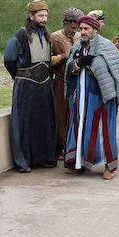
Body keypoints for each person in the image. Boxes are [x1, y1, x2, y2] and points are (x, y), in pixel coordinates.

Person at [64, 15, 119, 179]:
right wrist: (79, 63)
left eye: (86, 29)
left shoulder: (107, 46)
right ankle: (77, 163)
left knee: (103, 131)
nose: (82, 32)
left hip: (100, 96)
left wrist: (92, 63)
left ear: (95, 30)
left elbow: (111, 69)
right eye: (81, 28)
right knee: (79, 128)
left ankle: (109, 167)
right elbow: (70, 66)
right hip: (80, 96)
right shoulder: (78, 45)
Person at [4, 0, 60, 173]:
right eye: (41, 16)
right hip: (26, 87)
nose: (44, 19)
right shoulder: (19, 36)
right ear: (31, 16)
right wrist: (21, 77)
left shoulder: (47, 36)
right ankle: (24, 161)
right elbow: (9, 60)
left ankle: (42, 157)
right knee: (25, 124)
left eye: (46, 16)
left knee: (43, 122)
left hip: (44, 86)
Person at [50, 8, 83, 156]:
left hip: (77, 82)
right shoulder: (54, 38)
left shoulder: (80, 37)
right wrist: (64, 56)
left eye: (77, 28)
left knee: (74, 114)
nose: (74, 31)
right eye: (72, 28)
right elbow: (48, 61)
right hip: (59, 82)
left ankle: (73, 145)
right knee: (60, 115)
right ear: (64, 23)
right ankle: (59, 147)